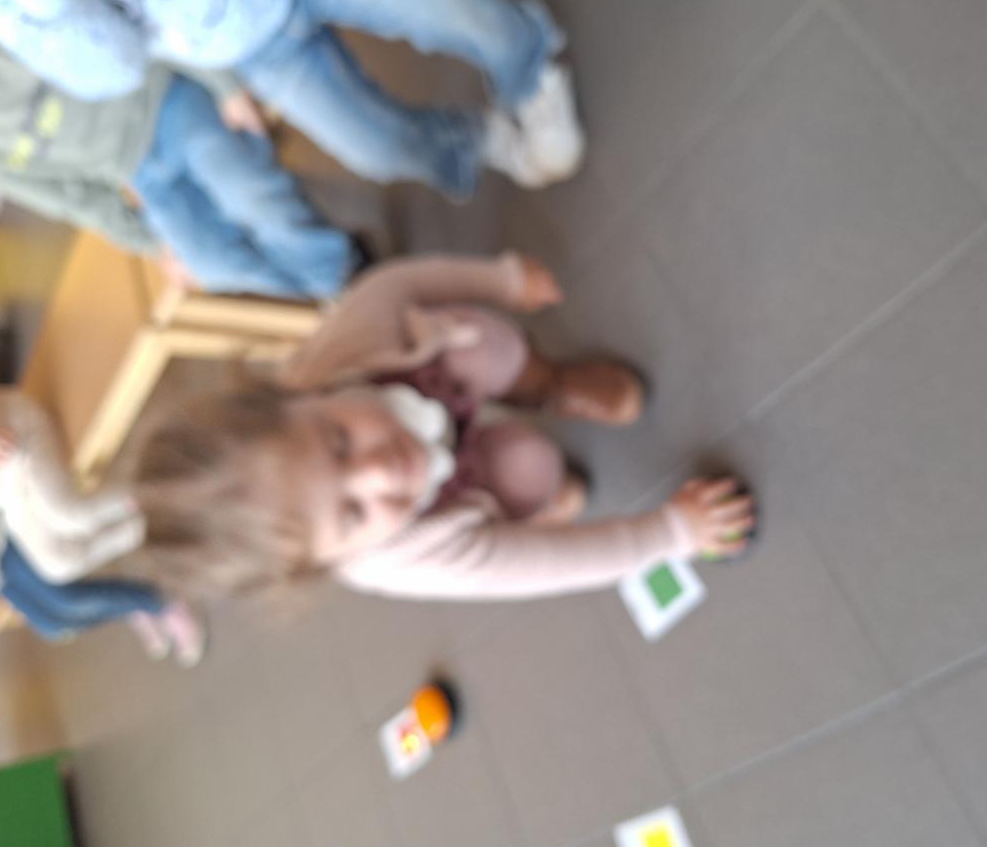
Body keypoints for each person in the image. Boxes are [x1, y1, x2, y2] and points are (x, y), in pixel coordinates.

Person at [132, 254, 756, 602]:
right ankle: (536, 498)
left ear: (302, 392)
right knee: (531, 469)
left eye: (338, 442)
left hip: (437, 374)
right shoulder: (403, 559)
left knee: (484, 344)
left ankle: (551, 385)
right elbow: (554, 565)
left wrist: (500, 281)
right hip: (463, 488)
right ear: (333, 560)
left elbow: (397, 284)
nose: (379, 471)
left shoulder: (345, 350)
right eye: (352, 513)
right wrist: (671, 533)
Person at [0, 0, 584, 199]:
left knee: (462, 15)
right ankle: (479, 139)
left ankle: (531, 73)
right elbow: (116, 70)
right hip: (240, 47)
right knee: (378, 150)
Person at [0, 1, 366, 300]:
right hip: (137, 172)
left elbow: (145, 20)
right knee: (210, 266)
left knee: (249, 195)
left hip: (167, 103)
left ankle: (344, 278)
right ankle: (332, 283)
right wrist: (150, 243)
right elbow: (64, 199)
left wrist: (225, 86)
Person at [0, 373, 205, 666]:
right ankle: (142, 527)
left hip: (16, 439)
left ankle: (160, 492)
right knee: (58, 566)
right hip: (8, 497)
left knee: (70, 518)